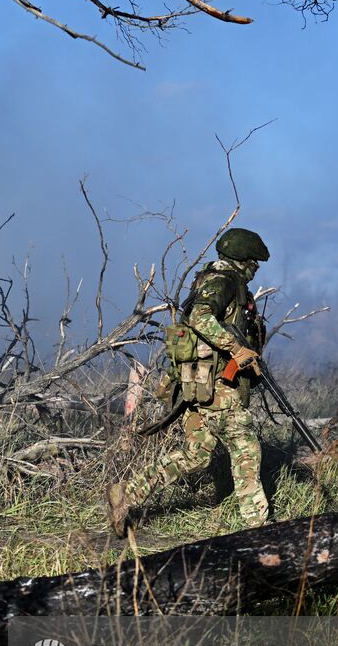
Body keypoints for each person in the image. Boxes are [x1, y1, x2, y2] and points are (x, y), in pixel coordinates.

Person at [106, 227, 270, 537]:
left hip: (200, 382)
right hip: (215, 385)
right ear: (243, 260)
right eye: (254, 262)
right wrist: (235, 348)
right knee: (244, 444)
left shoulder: (211, 280)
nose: (256, 269)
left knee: (197, 455)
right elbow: (198, 317)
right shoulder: (223, 281)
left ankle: (128, 493)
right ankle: (258, 532)